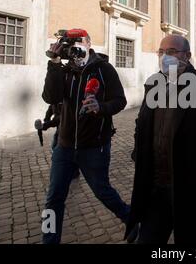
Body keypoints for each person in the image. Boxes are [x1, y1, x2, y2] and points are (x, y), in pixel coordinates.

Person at [125, 35, 196, 244]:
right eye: (161, 52)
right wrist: (139, 153)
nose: (164, 57)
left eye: (171, 52)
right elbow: (141, 124)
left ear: (187, 56)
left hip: (195, 194)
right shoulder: (154, 85)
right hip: (156, 190)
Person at [41, 29, 132, 244]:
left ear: (88, 43)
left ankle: (130, 218)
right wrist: (53, 64)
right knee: (53, 199)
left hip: (93, 146)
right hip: (63, 147)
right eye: (69, 43)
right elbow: (50, 97)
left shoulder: (103, 69)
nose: (73, 47)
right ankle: (49, 240)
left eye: (77, 42)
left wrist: (100, 107)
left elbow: (120, 101)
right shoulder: (63, 70)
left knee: (103, 191)